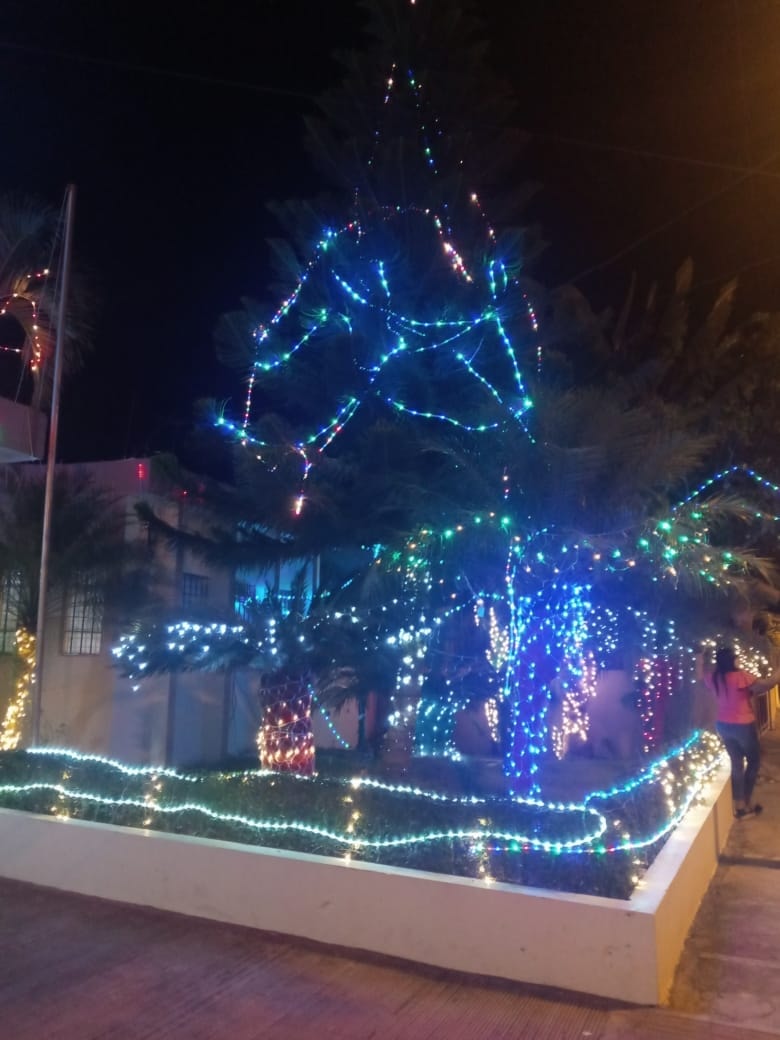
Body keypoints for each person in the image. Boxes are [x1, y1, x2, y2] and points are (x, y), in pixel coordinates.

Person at [703, 647, 779, 818]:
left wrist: (700, 658)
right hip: (743, 724)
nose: (738, 660)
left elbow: (701, 677)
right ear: (731, 660)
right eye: (736, 657)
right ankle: (745, 801)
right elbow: (766, 685)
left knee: (736, 763)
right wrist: (777, 674)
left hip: (723, 725)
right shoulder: (741, 676)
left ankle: (740, 806)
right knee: (754, 761)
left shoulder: (715, 678)